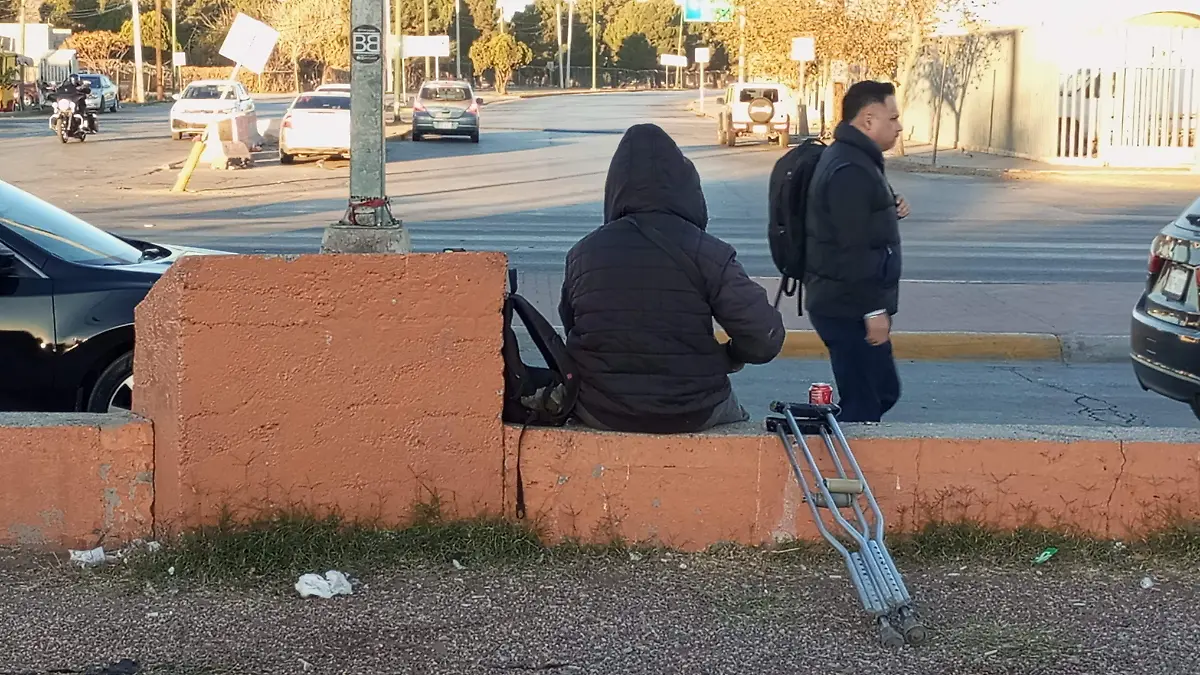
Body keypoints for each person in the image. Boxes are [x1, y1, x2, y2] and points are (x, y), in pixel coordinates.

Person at [559, 123, 786, 434]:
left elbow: (573, 327)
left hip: (601, 409)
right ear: (688, 187)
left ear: (614, 188)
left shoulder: (583, 253)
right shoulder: (708, 251)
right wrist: (730, 356)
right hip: (694, 408)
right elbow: (764, 338)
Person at [803, 80, 908, 423]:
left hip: (845, 300)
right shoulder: (851, 168)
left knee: (881, 392)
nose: (899, 126)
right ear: (868, 120)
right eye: (892, 118)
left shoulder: (856, 159)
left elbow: (858, 223)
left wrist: (888, 207)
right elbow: (853, 247)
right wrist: (872, 310)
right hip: (847, 305)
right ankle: (840, 455)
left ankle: (842, 441)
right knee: (867, 403)